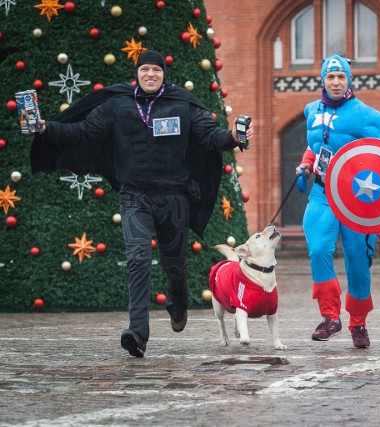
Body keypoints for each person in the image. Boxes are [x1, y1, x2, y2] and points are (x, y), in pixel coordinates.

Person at [30, 50, 253, 357]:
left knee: (175, 267)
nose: (150, 74)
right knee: (137, 258)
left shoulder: (183, 104)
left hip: (174, 198)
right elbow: (81, 132)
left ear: (164, 74)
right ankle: (138, 332)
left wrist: (234, 138)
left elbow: (211, 137)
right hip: (134, 195)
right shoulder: (117, 104)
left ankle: (178, 302)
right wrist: (46, 127)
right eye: (145, 69)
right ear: (137, 73)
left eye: (156, 70)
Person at [295, 54, 380, 349]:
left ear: (349, 80)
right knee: (318, 251)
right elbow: (315, 146)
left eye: (341, 77)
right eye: (331, 77)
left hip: (357, 198)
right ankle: (330, 317)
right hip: (322, 192)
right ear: (322, 80)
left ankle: (358, 323)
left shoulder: (369, 116)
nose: (336, 82)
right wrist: (305, 163)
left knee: (357, 263)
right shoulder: (310, 111)